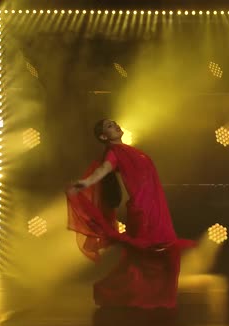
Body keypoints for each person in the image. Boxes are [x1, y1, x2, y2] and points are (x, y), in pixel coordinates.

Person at [66, 119, 194, 309]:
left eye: (115, 123)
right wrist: (86, 182)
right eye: (109, 126)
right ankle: (118, 292)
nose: (115, 126)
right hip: (143, 210)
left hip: (156, 207)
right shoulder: (113, 153)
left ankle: (145, 294)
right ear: (103, 137)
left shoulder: (132, 151)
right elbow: (103, 169)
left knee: (157, 254)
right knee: (146, 254)